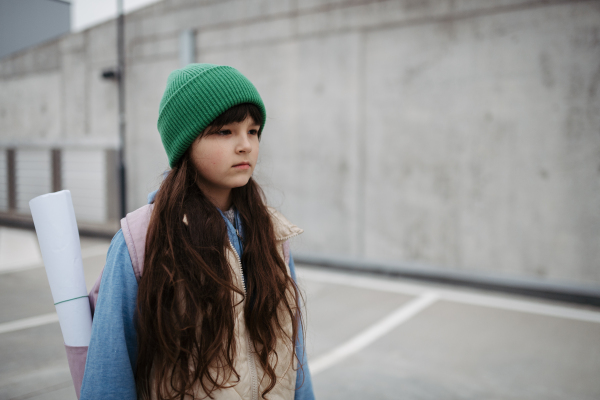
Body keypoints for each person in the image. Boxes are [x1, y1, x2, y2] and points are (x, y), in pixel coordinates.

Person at [80, 64, 315, 400]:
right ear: (186, 143)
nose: (245, 145)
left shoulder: (272, 234)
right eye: (225, 131)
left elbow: (295, 358)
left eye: (253, 130)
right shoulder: (141, 239)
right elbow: (110, 373)